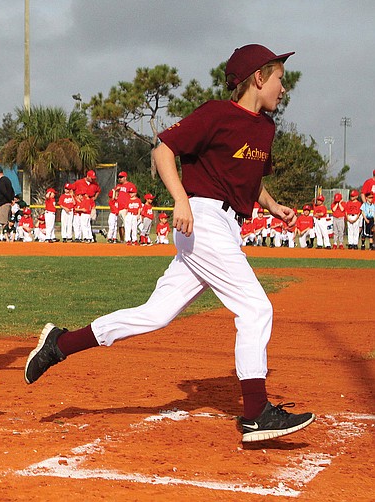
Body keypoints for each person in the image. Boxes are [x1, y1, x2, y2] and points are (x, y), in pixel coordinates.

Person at [22, 45, 314, 443]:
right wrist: (180, 199)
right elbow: (163, 150)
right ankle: (255, 413)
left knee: (155, 314)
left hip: (227, 226)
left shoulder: (265, 128)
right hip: (203, 218)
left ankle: (62, 343)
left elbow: (250, 180)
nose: (284, 86)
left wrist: (273, 205)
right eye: (279, 77)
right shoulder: (216, 113)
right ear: (258, 78)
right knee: (256, 307)